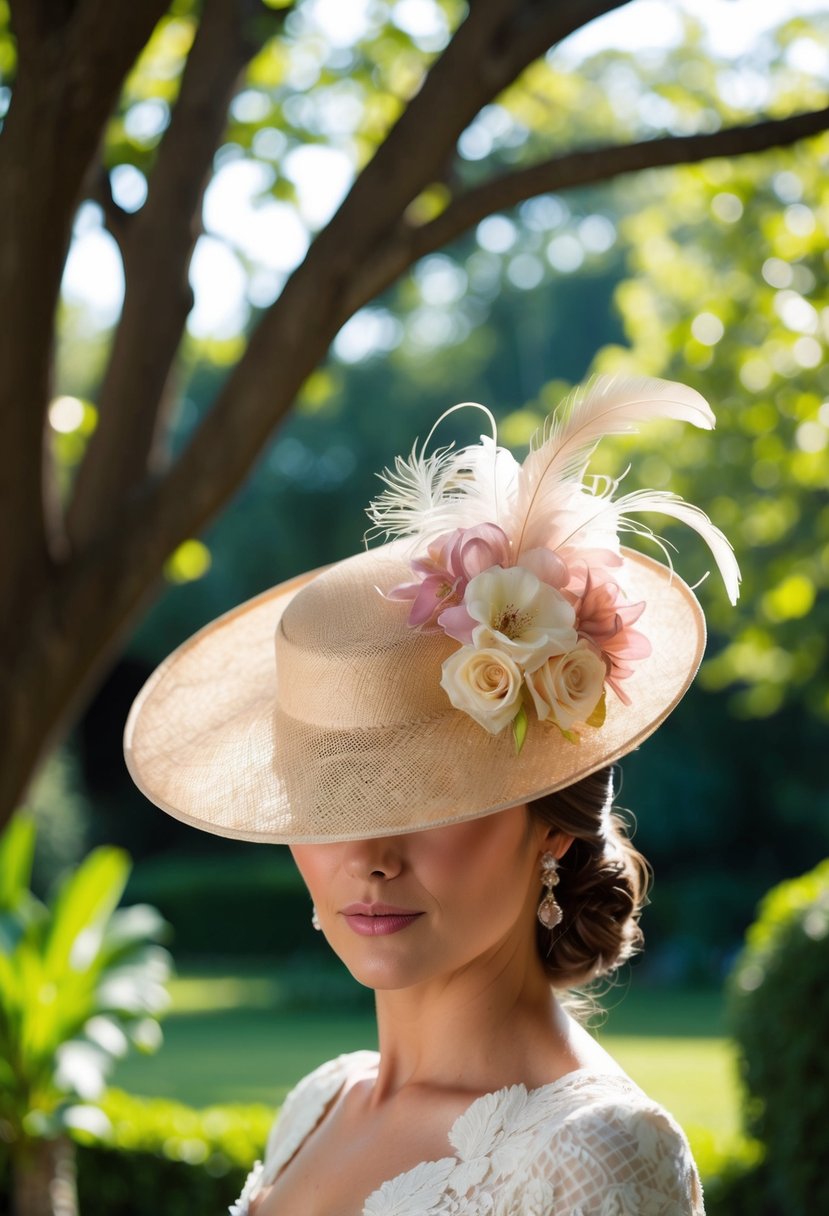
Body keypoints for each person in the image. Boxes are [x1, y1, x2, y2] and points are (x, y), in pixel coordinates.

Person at [125, 375, 740, 1215]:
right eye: (333, 799)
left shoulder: (595, 1157)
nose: (370, 859)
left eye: (432, 801)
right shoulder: (319, 1107)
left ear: (551, 822)